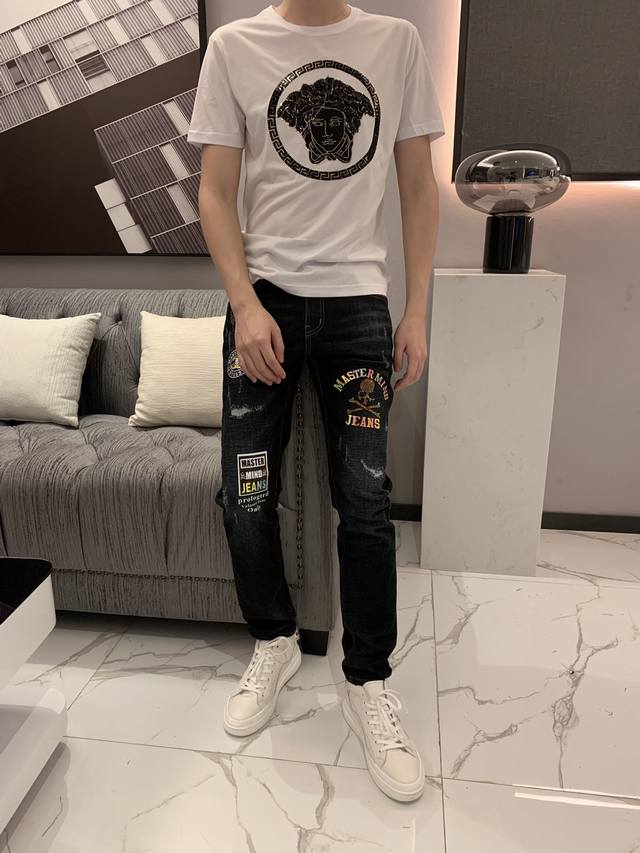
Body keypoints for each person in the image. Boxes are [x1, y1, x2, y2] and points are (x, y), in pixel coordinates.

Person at [187, 0, 444, 803]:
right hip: (263, 302)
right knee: (246, 494)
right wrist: (244, 304)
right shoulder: (235, 47)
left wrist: (416, 310)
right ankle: (274, 638)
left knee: (365, 503)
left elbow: (417, 187)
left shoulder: (396, 43)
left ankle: (367, 677)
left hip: (359, 306)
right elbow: (214, 192)